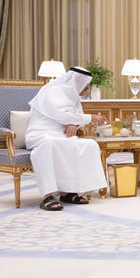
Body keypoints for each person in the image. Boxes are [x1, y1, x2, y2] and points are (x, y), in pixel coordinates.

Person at [25, 66, 108, 211]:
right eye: (86, 84)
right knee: (50, 145)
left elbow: (74, 116)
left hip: (61, 135)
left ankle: (68, 192)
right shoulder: (51, 92)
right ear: (76, 81)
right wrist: (91, 118)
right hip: (41, 133)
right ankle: (47, 196)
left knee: (89, 145)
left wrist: (74, 123)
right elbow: (61, 115)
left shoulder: (74, 97)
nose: (87, 88)